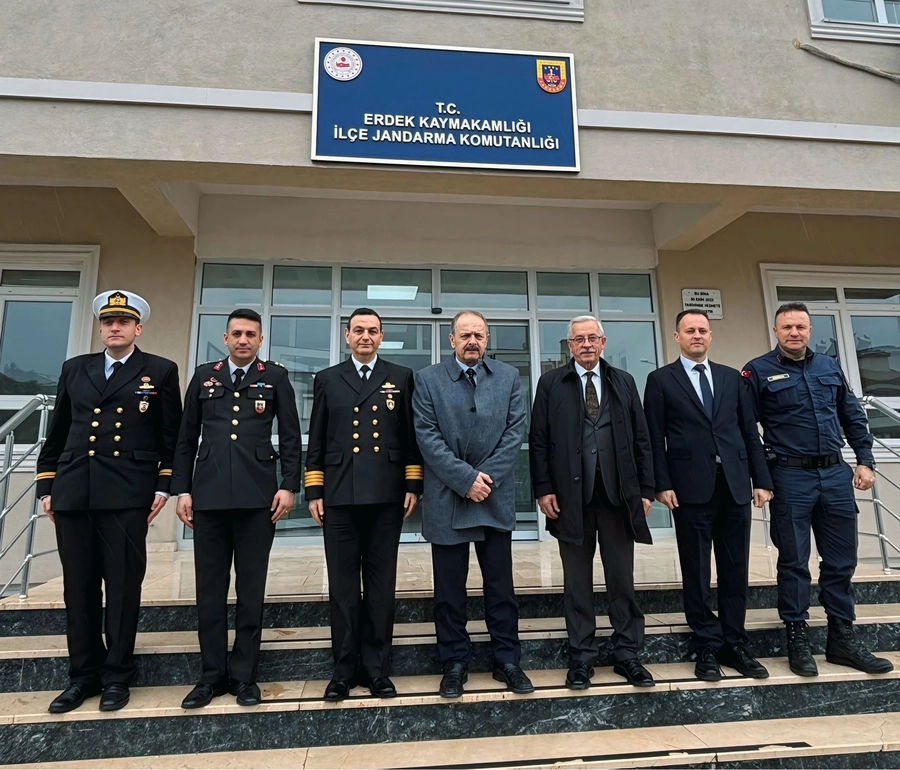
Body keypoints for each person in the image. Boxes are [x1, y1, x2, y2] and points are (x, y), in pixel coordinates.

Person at [37, 290, 182, 713]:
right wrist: (47, 486)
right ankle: (82, 676)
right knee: (78, 588)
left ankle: (118, 675)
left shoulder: (159, 370)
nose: (114, 328)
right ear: (100, 328)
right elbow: (59, 431)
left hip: (127, 493)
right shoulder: (75, 368)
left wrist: (163, 486)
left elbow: (170, 436)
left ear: (138, 328)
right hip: (74, 491)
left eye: (122, 322)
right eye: (107, 322)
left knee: (121, 587)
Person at [743, 301, 892, 677]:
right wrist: (761, 479)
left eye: (801, 327)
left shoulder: (829, 366)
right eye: (787, 327)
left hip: (835, 475)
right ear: (776, 331)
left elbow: (852, 415)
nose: (794, 332)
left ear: (810, 331)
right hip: (790, 477)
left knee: (841, 561)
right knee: (794, 562)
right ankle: (797, 640)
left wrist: (865, 460)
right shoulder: (758, 371)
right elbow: (745, 430)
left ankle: (842, 639)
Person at [172, 308, 303, 709]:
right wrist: (182, 490)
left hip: (257, 500)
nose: (243, 340)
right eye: (237, 334)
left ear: (260, 340)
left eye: (251, 334)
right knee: (209, 591)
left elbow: (292, 436)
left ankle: (244, 676)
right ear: (226, 338)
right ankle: (211, 677)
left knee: (251, 589)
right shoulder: (204, 376)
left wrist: (289, 486)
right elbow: (185, 438)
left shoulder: (275, 377)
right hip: (208, 498)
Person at [643, 309, 774, 681]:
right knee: (696, 570)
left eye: (702, 330)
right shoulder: (660, 380)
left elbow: (749, 432)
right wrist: (661, 484)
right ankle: (706, 645)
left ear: (710, 336)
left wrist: (762, 480)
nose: (697, 335)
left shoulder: (732, 378)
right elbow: (653, 437)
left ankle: (735, 643)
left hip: (734, 485)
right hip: (688, 489)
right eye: (690, 330)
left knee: (735, 569)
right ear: (677, 337)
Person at [530, 315, 655, 689]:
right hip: (571, 500)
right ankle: (581, 656)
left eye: (592, 338)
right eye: (579, 339)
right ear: (569, 346)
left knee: (622, 579)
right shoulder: (551, 383)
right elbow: (538, 440)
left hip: (618, 497)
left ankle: (628, 654)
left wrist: (646, 489)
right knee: (577, 583)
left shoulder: (624, 381)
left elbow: (642, 438)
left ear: (603, 342)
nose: (586, 344)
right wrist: (543, 489)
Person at [412, 310, 532, 699]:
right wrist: (465, 480)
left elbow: (515, 431)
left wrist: (485, 479)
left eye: (479, 335)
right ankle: (454, 663)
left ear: (487, 339)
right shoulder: (427, 379)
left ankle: (507, 660)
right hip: (447, 499)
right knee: (449, 591)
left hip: (493, 497)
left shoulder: (508, 377)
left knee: (501, 587)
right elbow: (427, 436)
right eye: (465, 335)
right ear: (452, 340)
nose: (472, 341)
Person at [305, 308, 423, 701]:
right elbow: (317, 439)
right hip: (339, 496)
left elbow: (410, 436)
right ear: (347, 336)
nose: (365, 336)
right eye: (358, 330)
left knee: (380, 586)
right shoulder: (327, 379)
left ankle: (376, 670)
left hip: (386, 495)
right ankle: (342, 671)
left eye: (373, 330)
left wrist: (412, 483)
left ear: (382, 336)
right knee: (342, 588)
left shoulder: (401, 377)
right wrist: (314, 490)